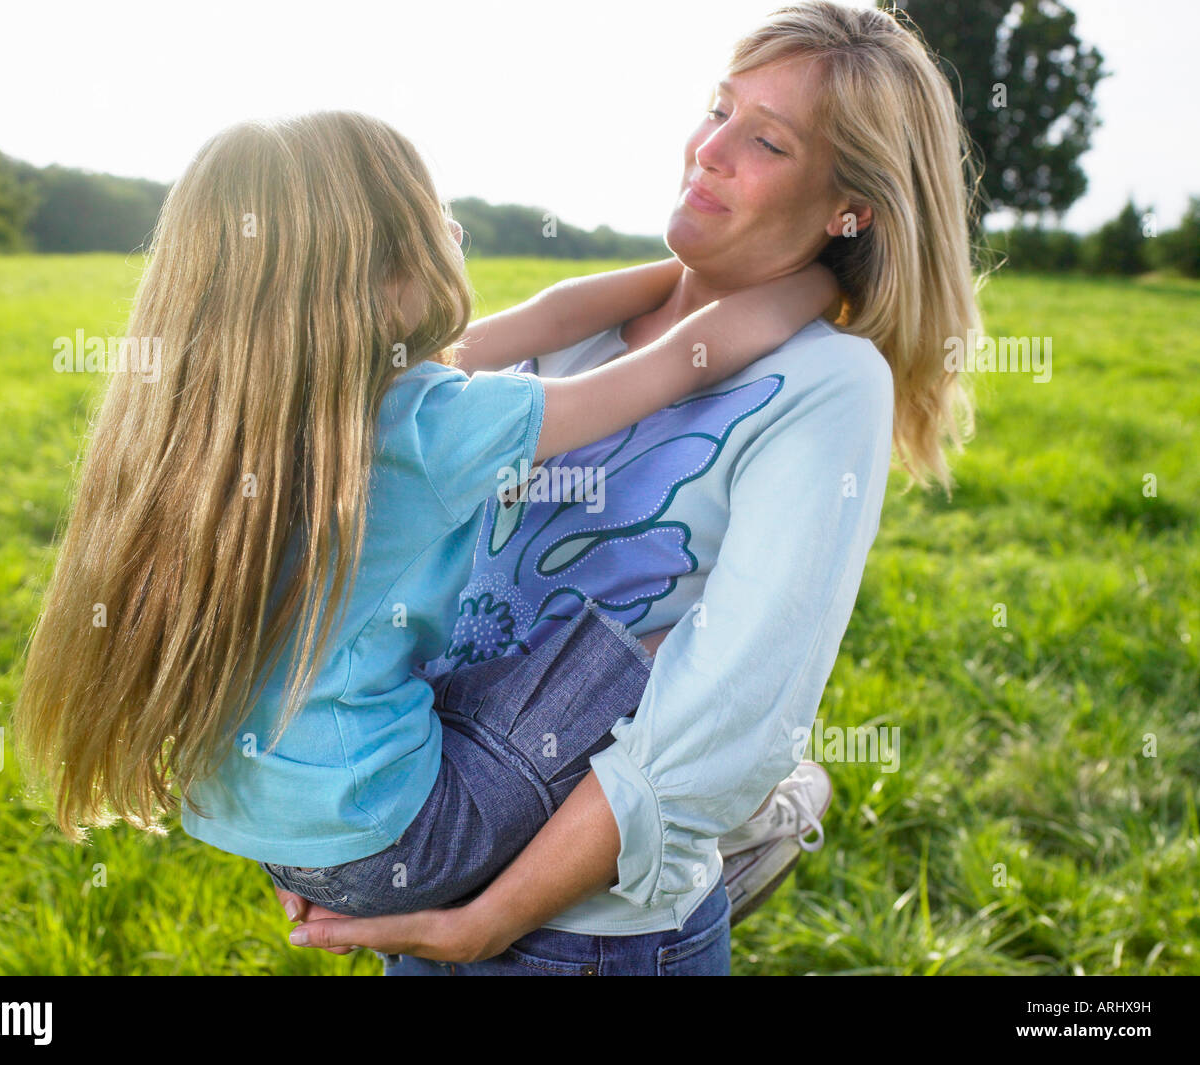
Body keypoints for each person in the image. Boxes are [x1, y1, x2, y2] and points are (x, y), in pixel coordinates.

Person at [280, 0, 984, 975]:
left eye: (767, 141)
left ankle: (734, 837)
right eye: (717, 108)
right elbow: (370, 457)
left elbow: (727, 706)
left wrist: (492, 920)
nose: (709, 149)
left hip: (585, 943)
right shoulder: (572, 334)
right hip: (432, 857)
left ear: (848, 208)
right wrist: (323, 814)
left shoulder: (827, 383)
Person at [12, 111, 838, 919]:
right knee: (663, 643)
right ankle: (731, 835)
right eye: (430, 214)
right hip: (406, 839)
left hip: (275, 830)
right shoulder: (429, 423)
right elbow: (671, 370)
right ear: (380, 283)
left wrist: (689, 276)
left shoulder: (263, 405)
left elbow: (549, 317)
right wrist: (824, 278)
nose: (452, 225)